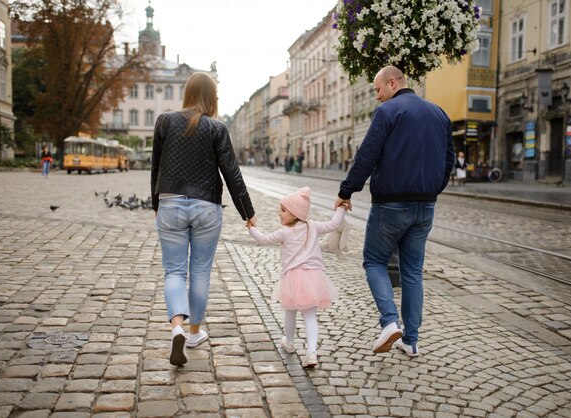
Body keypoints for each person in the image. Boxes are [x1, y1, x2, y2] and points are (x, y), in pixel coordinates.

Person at [335, 65, 454, 357]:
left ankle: (389, 322)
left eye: (377, 89)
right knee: (413, 271)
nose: (377, 96)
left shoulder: (387, 113)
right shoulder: (439, 113)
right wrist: (432, 190)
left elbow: (367, 154)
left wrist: (346, 191)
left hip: (391, 204)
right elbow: (448, 158)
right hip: (425, 205)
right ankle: (411, 341)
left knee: (373, 261)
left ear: (392, 83)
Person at [151, 72, 256, 366]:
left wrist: (156, 202)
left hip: (170, 202)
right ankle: (194, 333)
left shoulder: (165, 121)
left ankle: (176, 329)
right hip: (207, 208)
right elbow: (231, 173)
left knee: (174, 271)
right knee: (199, 272)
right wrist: (247, 212)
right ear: (211, 97)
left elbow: (155, 166)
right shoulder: (216, 128)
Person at [247, 187, 347, 368]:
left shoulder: (284, 232)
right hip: (314, 277)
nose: (280, 214)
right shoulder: (313, 226)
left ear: (295, 214)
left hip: (293, 278)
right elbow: (333, 224)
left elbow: (264, 239)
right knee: (310, 317)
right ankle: (311, 353)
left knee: (290, 311)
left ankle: (290, 342)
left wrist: (252, 228)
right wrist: (342, 208)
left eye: (283, 210)